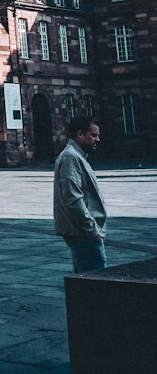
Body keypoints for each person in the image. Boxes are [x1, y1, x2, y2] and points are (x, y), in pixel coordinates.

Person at [53, 115, 107, 273]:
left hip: (83, 231)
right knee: (94, 278)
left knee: (85, 278)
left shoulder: (77, 156)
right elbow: (74, 200)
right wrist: (92, 231)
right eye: (94, 135)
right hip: (83, 232)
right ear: (80, 135)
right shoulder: (71, 157)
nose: (97, 139)